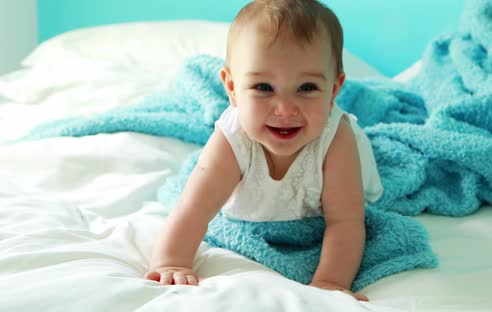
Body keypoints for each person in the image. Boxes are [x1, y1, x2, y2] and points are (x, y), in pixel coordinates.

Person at [144, 0, 382, 302]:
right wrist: (171, 262)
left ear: (334, 90)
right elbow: (194, 208)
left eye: (307, 87)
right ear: (232, 88)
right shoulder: (232, 140)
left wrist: (330, 282)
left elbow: (345, 221)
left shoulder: (336, 138)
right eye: (263, 88)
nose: (284, 109)